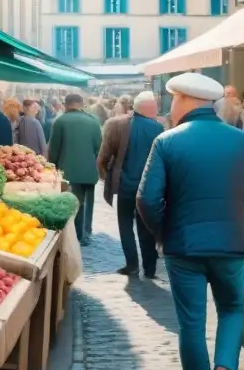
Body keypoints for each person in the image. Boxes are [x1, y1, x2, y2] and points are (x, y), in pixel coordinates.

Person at [138, 73, 244, 370]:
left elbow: (147, 200)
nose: (171, 106)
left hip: (184, 247)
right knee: (231, 310)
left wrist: (163, 233)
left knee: (192, 325)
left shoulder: (167, 142)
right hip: (231, 246)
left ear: (185, 100)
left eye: (174, 99)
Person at [98, 91, 164, 277]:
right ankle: (150, 269)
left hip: (125, 185)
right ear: (151, 108)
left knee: (125, 225)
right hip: (149, 186)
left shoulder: (115, 124)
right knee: (146, 227)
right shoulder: (158, 129)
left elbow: (103, 156)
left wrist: (106, 178)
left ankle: (132, 264)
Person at [49, 94, 102, 245]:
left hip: (68, 171)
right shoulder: (93, 121)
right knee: (87, 202)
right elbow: (99, 147)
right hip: (89, 171)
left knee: (71, 204)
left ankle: (74, 235)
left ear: (66, 105)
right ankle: (86, 232)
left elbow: (54, 149)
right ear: (82, 104)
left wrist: (52, 167)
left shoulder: (61, 121)